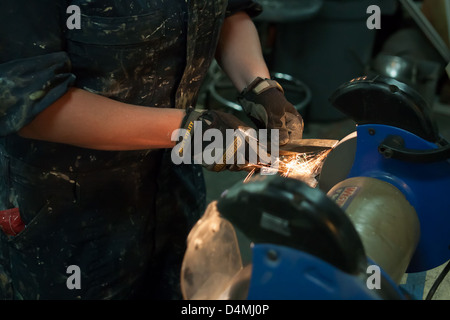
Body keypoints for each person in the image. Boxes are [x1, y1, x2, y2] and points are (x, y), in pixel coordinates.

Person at [0, 0, 303, 299]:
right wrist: (187, 130)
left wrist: (258, 86)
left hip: (174, 186)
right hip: (70, 219)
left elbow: (229, 10)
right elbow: (32, 104)